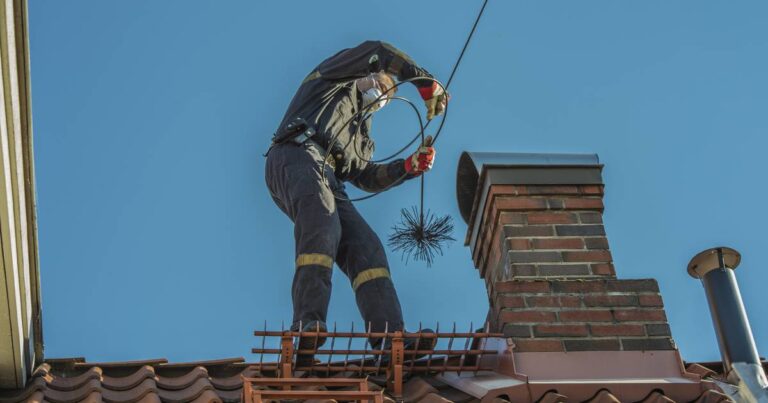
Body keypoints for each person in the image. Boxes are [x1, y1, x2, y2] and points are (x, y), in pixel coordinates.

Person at [264, 40, 448, 352]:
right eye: (379, 82)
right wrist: (424, 81)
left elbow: (364, 176)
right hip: (296, 153)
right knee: (323, 222)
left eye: (386, 95)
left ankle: (390, 339)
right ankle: (308, 322)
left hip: (328, 176)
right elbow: (377, 51)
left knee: (367, 248)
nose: (380, 92)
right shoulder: (332, 77)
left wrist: (408, 166)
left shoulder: (361, 138)